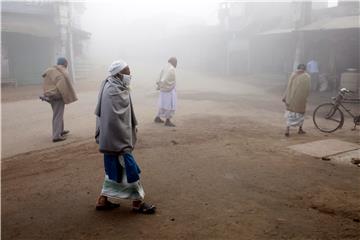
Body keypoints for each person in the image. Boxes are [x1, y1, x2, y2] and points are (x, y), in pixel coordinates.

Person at [94, 59, 156, 214]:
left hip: (113, 139)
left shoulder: (117, 86)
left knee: (113, 172)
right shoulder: (112, 90)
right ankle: (137, 203)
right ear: (118, 74)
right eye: (127, 72)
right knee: (130, 170)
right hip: (118, 140)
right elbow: (112, 119)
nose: (130, 74)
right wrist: (123, 142)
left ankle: (103, 200)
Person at [41, 57, 77, 142]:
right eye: (67, 63)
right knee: (58, 115)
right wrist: (66, 98)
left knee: (58, 113)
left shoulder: (50, 70)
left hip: (48, 94)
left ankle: (60, 130)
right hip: (56, 96)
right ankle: (56, 136)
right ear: (64, 63)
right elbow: (63, 87)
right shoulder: (61, 73)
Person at [282, 63, 310, 137]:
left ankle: (287, 130)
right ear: (305, 69)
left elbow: (288, 86)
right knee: (301, 114)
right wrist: (305, 97)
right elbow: (307, 89)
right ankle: (300, 129)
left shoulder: (293, 75)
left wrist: (285, 96)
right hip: (301, 100)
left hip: (291, 99)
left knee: (290, 115)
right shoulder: (306, 76)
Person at [154, 57, 177, 127]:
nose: (176, 64)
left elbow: (159, 78)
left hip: (162, 89)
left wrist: (160, 85)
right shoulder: (172, 69)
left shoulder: (164, 67)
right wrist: (170, 86)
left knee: (162, 104)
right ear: (173, 62)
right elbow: (170, 80)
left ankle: (157, 117)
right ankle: (168, 120)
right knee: (170, 104)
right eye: (176, 62)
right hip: (169, 90)